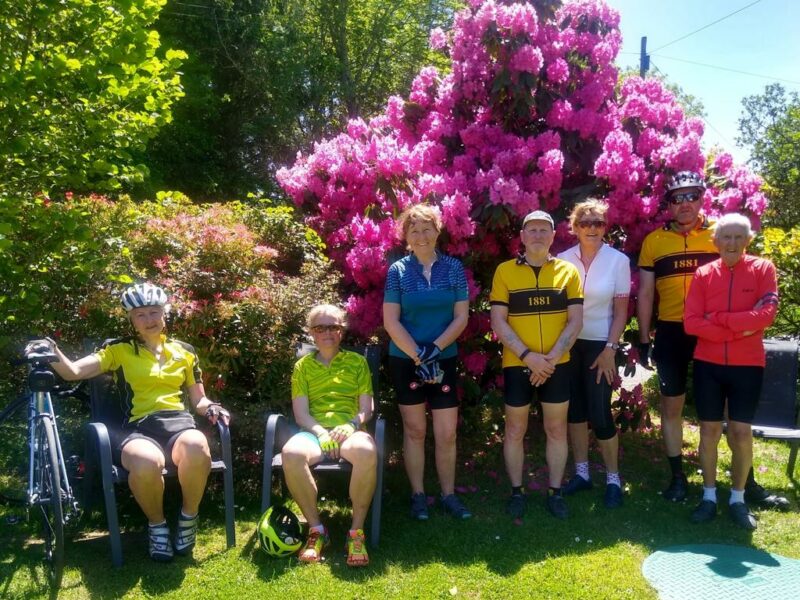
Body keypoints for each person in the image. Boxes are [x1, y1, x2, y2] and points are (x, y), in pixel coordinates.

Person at [30, 283, 230, 562]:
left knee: (197, 445)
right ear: (131, 320)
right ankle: (157, 526)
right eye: (140, 315)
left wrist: (212, 407)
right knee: (146, 461)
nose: (149, 320)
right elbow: (73, 372)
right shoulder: (118, 350)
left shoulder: (185, 351)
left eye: (154, 312)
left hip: (179, 426)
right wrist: (52, 350)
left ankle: (188, 518)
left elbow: (199, 399)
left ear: (164, 313)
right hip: (138, 429)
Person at [637, 171, 786, 508]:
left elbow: (746, 273)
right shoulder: (654, 242)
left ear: (702, 198)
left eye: (692, 195)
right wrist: (644, 337)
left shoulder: (721, 234)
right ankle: (678, 478)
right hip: (673, 329)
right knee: (671, 406)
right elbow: (645, 293)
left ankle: (746, 482)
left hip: (716, 331)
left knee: (735, 414)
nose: (685, 203)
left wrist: (733, 324)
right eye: (677, 198)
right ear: (669, 204)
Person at [683, 214, 778, 529]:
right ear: (716, 242)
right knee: (708, 432)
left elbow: (766, 315)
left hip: (747, 366)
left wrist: (720, 319)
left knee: (740, 432)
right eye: (726, 237)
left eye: (739, 237)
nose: (732, 243)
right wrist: (741, 327)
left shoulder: (763, 269)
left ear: (748, 240)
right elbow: (691, 323)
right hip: (708, 364)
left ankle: (738, 498)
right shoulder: (703, 274)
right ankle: (709, 496)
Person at [490, 210, 583, 520]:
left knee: (556, 429)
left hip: (557, 364)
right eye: (532, 230)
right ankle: (517, 492)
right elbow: (498, 321)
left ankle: (555, 492)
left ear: (554, 236)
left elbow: (575, 321)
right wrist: (529, 357)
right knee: (515, 429)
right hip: (518, 363)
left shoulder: (568, 272)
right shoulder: (504, 271)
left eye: (545, 230)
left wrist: (550, 360)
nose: (538, 235)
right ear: (522, 236)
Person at [383, 204, 472, 521]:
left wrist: (435, 349)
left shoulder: (454, 268)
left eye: (426, 229)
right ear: (405, 236)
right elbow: (391, 321)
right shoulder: (397, 271)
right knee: (415, 430)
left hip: (443, 358)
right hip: (406, 360)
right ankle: (418, 495)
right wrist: (418, 354)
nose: (421, 236)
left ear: (438, 231)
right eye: (414, 230)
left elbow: (461, 317)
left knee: (447, 433)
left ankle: (448, 495)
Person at [281, 304, 377, 566]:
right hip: (314, 432)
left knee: (367, 451)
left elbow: (366, 409)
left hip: (349, 431)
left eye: (333, 326)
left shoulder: (357, 363)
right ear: (312, 332)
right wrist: (321, 433)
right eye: (320, 328)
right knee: (291, 453)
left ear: (341, 330)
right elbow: (301, 414)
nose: (327, 332)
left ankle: (356, 534)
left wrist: (351, 424)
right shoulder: (302, 367)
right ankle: (316, 531)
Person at [557, 200, 630, 509]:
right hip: (568, 345)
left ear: (605, 227)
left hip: (601, 344)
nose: (591, 228)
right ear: (574, 227)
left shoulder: (618, 261)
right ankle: (582, 474)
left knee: (600, 413)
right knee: (574, 412)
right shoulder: (561, 260)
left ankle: (613, 479)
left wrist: (610, 349)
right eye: (585, 223)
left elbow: (621, 312)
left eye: (598, 223)